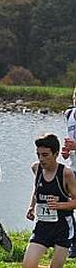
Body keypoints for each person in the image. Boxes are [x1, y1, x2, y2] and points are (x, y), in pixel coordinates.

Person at [22, 134, 76, 268]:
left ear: (55, 154)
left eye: (45, 155)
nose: (41, 159)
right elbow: (37, 190)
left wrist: (60, 205)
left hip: (63, 228)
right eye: (38, 154)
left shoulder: (66, 173)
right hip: (43, 226)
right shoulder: (36, 169)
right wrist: (31, 207)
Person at [60, 85, 76, 258]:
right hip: (73, 167)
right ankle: (73, 242)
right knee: (66, 203)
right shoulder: (69, 114)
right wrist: (67, 151)